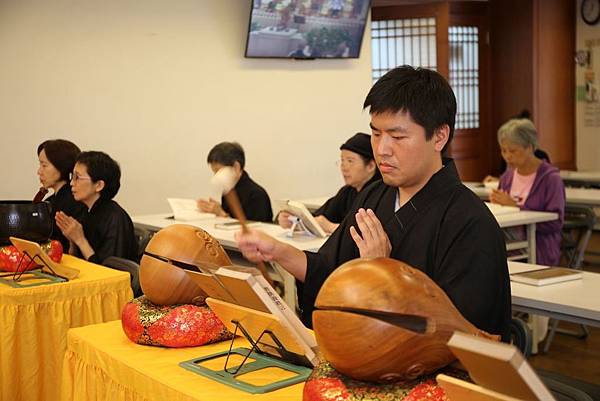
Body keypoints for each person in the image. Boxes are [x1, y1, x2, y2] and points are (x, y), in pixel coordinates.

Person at [236, 66, 511, 340]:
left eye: (398, 137)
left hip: (428, 374)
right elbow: (330, 272)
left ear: (439, 136)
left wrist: (381, 272)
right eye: (376, 134)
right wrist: (278, 251)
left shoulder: (470, 221)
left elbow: (467, 333)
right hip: (362, 352)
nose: (382, 149)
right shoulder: (373, 196)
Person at [490, 118, 565, 266]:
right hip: (508, 248)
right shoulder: (507, 178)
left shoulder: (551, 179)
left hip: (539, 249)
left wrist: (516, 207)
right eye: (503, 150)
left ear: (530, 147)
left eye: (513, 151)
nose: (507, 156)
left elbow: (555, 222)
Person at [278, 132, 381, 234]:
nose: (344, 167)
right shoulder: (347, 191)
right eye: (342, 161)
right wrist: (293, 221)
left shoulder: (380, 194)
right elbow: (319, 217)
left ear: (371, 166)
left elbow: (369, 234)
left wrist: (330, 226)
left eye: (350, 161)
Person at [55, 151, 138, 264]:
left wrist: (80, 240)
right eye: (72, 177)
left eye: (77, 177)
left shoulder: (115, 218)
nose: (71, 183)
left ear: (99, 185)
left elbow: (111, 271)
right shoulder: (84, 210)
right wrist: (72, 239)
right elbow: (79, 261)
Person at [197, 142, 273, 223]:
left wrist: (220, 213)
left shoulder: (257, 195)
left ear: (236, 167)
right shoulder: (229, 189)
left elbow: (254, 230)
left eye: (219, 171)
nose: (216, 176)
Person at [36, 139, 86, 251]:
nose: (39, 171)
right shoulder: (51, 200)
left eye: (44, 165)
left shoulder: (74, 201)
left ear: (61, 166)